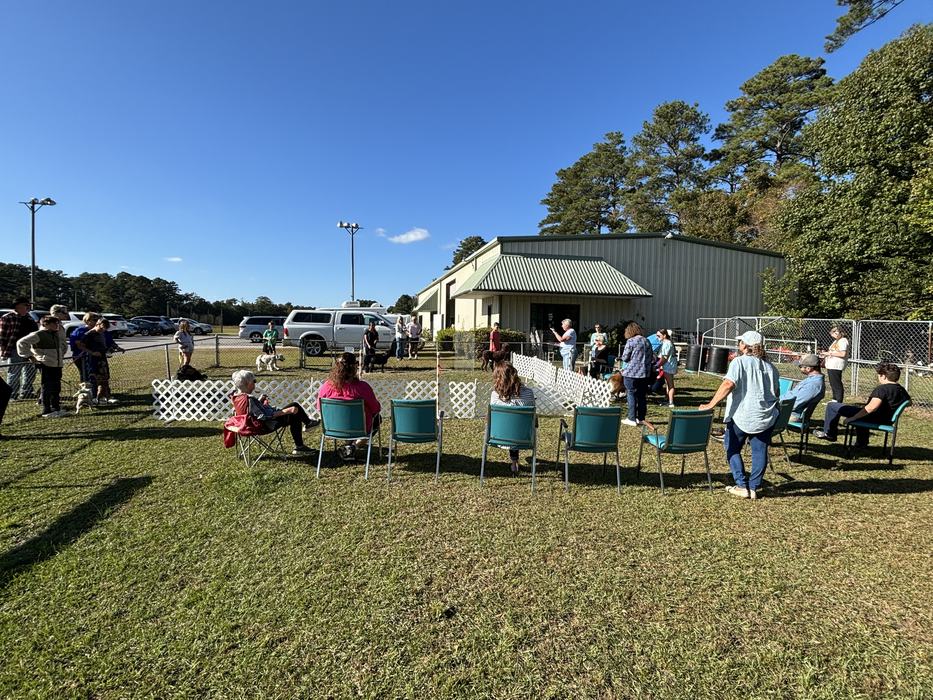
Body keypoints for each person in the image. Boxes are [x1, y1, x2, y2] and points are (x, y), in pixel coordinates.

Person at [700, 330, 779, 500]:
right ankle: (755, 487)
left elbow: (728, 384)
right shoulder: (770, 366)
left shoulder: (739, 362)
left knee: (732, 448)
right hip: (764, 416)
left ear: (745, 345)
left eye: (740, 341)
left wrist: (710, 405)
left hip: (742, 414)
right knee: (760, 451)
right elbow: (776, 391)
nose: (739, 344)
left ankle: (742, 485)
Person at [814, 363, 910, 447]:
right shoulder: (901, 389)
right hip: (887, 419)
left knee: (832, 406)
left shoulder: (882, 389)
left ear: (883, 376)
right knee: (861, 411)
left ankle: (829, 433)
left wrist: (853, 418)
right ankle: (861, 442)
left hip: (874, 417)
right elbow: (909, 402)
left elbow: (871, 408)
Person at [231, 369, 316, 455]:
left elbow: (250, 411)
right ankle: (301, 442)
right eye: (254, 381)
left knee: (294, 406)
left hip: (247, 424)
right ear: (249, 384)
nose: (255, 383)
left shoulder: (237, 397)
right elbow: (263, 416)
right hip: (264, 425)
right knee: (294, 412)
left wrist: (260, 401)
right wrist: (285, 411)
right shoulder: (250, 399)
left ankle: (308, 426)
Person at [317, 352, 381, 460]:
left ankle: (348, 447)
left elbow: (319, 408)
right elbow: (376, 408)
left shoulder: (326, 386)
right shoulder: (363, 387)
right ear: (355, 367)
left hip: (333, 427)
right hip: (360, 428)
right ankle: (353, 446)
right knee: (377, 419)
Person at [490, 361, 536, 475]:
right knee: (516, 424)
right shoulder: (529, 393)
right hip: (523, 437)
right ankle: (514, 462)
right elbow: (534, 419)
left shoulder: (495, 395)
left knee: (510, 424)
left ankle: (514, 462)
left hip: (499, 436)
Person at [17, 315, 68, 417]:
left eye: (57, 323)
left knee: (56, 387)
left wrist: (61, 354)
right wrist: (30, 356)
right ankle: (46, 409)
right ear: (46, 324)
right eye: (54, 323)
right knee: (47, 387)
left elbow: (61, 346)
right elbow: (21, 343)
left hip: (57, 364)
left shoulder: (55, 334)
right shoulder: (39, 334)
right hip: (46, 364)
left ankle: (56, 407)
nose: (57, 325)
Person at [0, 297, 39, 399]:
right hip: (14, 349)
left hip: (30, 349)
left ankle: (27, 392)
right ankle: (12, 394)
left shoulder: (29, 317)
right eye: (26, 305)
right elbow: (2, 335)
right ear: (18, 306)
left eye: (28, 305)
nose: (28, 307)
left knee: (30, 371)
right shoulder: (8, 317)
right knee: (14, 372)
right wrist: (3, 350)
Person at [620, 322, 654, 426]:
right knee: (642, 396)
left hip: (631, 373)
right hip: (644, 373)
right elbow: (651, 357)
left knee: (631, 394)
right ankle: (641, 418)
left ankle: (631, 418)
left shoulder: (631, 341)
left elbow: (625, 358)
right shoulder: (647, 341)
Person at [81, 318, 117, 405]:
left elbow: (106, 344)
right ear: (97, 324)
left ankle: (106, 397)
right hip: (92, 359)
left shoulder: (102, 334)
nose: (103, 330)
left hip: (102, 358)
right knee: (94, 378)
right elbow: (81, 346)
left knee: (104, 378)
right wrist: (92, 352)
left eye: (105, 329)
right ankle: (94, 397)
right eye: (101, 328)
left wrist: (110, 349)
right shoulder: (89, 334)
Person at [779, 354, 825, 420]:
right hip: (784, 404)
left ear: (808, 369)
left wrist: (776, 405)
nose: (800, 368)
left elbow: (794, 404)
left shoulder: (813, 385)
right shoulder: (812, 380)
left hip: (790, 412)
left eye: (801, 366)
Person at [70, 312, 101, 391]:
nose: (96, 322)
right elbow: (79, 345)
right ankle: (85, 391)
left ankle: (94, 390)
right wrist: (92, 352)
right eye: (94, 320)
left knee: (94, 373)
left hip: (94, 356)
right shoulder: (81, 330)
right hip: (81, 356)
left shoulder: (97, 331)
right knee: (85, 374)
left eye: (98, 320)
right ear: (87, 321)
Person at [820, 325, 849, 403]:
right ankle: (834, 399)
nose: (832, 334)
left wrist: (829, 353)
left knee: (836, 384)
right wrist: (826, 353)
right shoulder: (836, 341)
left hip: (836, 365)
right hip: (831, 365)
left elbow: (843, 354)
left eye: (834, 332)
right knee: (833, 383)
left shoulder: (843, 340)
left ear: (839, 332)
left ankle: (838, 401)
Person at [656, 329, 678, 408]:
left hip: (668, 366)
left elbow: (664, 358)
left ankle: (671, 403)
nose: (657, 338)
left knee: (670, 384)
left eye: (659, 336)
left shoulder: (667, 344)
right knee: (668, 384)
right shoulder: (665, 343)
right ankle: (667, 399)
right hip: (668, 365)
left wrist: (657, 365)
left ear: (664, 335)